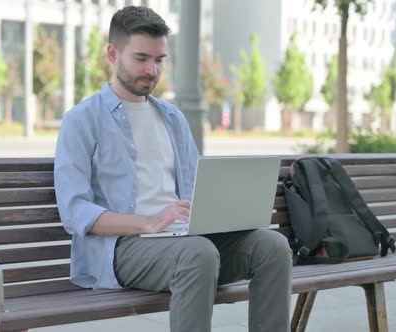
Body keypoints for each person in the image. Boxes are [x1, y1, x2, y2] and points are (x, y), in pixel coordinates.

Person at [54, 6, 292, 332]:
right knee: (197, 254)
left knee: (272, 247)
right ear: (113, 53)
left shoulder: (173, 118)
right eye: (141, 58)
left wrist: (227, 212)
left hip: (185, 240)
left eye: (159, 60)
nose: (152, 70)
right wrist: (149, 222)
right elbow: (74, 211)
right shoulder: (82, 120)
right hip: (124, 247)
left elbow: (196, 186)